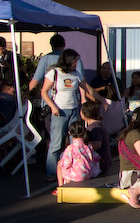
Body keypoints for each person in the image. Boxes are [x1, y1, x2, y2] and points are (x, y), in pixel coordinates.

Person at [42, 49, 107, 181]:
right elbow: (44, 91)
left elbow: (88, 88)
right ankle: (51, 172)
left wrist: (101, 100)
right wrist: (53, 106)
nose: (76, 63)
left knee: (76, 141)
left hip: (74, 109)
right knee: (56, 143)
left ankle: (76, 169)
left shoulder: (76, 74)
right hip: (59, 111)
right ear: (68, 61)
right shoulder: (54, 73)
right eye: (74, 61)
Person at [56, 120, 100, 187]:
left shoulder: (71, 148)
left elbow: (66, 164)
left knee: (59, 165)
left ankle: (61, 187)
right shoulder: (87, 146)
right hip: (87, 173)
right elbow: (93, 158)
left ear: (69, 133)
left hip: (77, 175)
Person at [80, 101, 111, 175]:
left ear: (85, 113)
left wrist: (84, 149)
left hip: (100, 164)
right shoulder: (96, 125)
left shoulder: (95, 128)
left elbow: (97, 144)